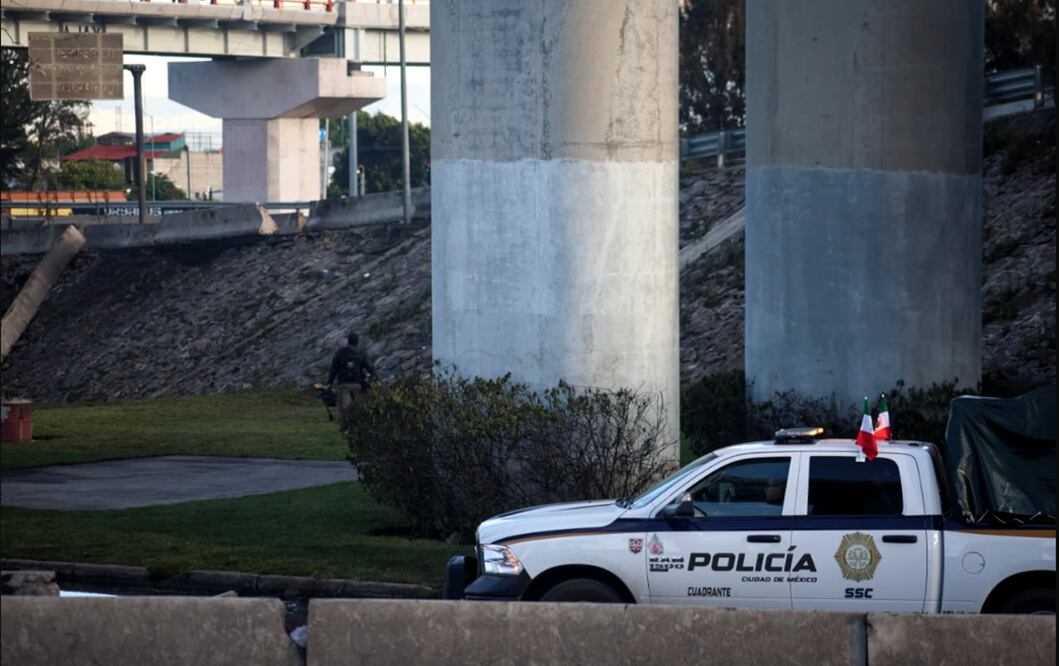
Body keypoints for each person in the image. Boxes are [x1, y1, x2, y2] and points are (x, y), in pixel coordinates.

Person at [327, 331, 377, 423]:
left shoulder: (340, 353)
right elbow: (370, 367)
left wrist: (329, 382)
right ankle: (359, 424)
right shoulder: (362, 353)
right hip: (358, 384)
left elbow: (333, 369)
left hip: (343, 384)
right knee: (359, 406)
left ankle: (348, 425)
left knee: (345, 408)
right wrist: (375, 378)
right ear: (357, 341)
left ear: (348, 341)